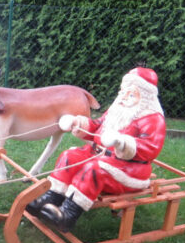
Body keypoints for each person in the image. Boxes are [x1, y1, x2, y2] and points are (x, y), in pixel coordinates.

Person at [26, 67, 166, 232]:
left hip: (128, 169)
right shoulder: (117, 110)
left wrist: (122, 142)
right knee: (68, 156)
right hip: (98, 154)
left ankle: (67, 215)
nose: (123, 97)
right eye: (122, 92)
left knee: (93, 170)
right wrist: (78, 123)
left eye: (131, 94)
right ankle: (51, 198)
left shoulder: (153, 119)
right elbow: (98, 126)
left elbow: (150, 148)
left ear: (145, 97)